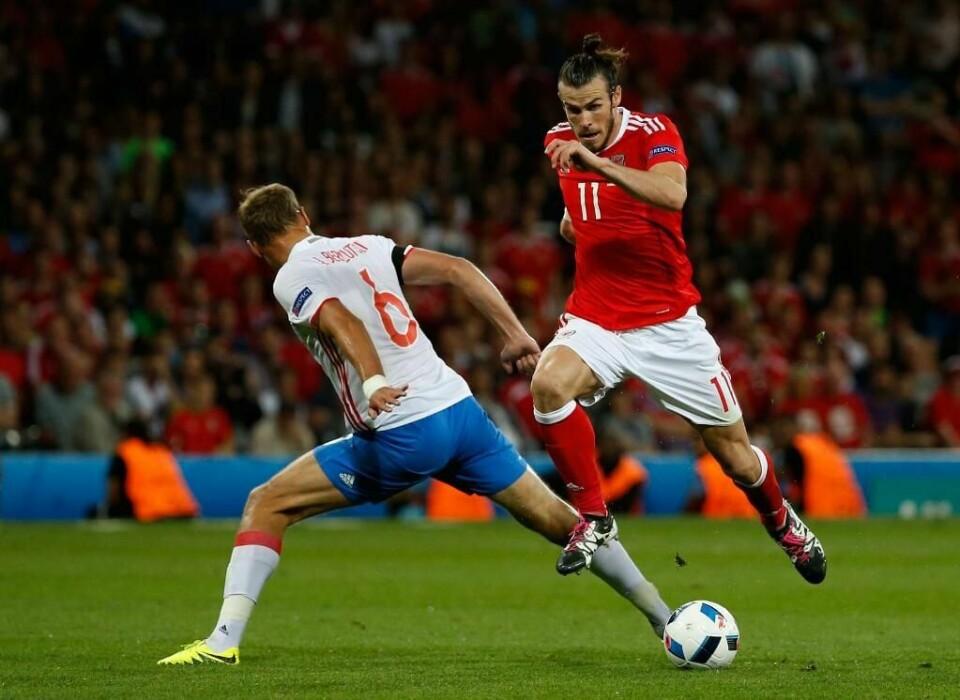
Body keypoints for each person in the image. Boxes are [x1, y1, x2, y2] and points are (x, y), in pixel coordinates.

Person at [158, 183, 671, 665]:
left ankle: (222, 642)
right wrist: (514, 333)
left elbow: (343, 322)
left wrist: (372, 381)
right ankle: (663, 618)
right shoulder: (368, 246)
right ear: (303, 217)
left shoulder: (290, 275)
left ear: (253, 245)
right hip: (461, 413)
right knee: (564, 521)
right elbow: (459, 269)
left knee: (265, 504)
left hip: (404, 431)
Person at [531, 34, 826, 582]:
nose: (584, 120)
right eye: (573, 110)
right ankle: (593, 517)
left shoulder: (654, 132)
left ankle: (782, 520)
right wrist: (578, 225)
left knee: (736, 457)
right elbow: (578, 220)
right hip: (597, 317)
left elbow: (673, 196)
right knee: (547, 388)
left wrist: (597, 164)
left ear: (616, 97)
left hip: (669, 326)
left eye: (594, 106)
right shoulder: (558, 142)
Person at [96, 419, 199, 521]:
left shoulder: (126, 451)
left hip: (149, 511)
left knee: (96, 512)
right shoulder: (161, 451)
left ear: (126, 434)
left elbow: (114, 491)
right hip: (183, 510)